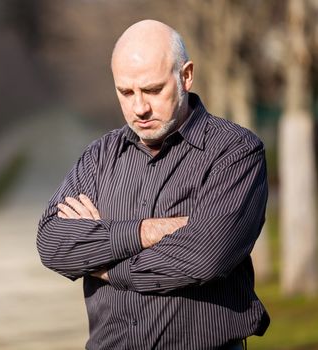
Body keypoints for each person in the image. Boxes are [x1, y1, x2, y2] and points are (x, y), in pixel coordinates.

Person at [36, 19, 270, 350]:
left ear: (185, 76)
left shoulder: (235, 152)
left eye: (153, 90)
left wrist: (106, 264)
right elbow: (52, 242)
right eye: (126, 92)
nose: (139, 108)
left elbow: (205, 257)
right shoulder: (99, 156)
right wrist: (145, 232)